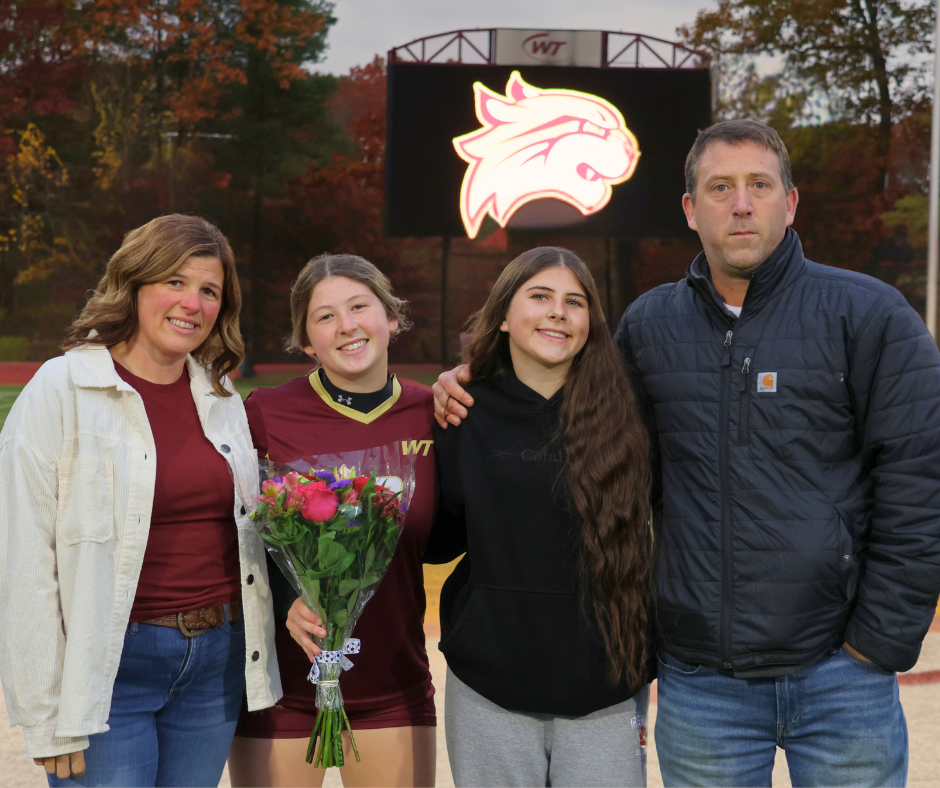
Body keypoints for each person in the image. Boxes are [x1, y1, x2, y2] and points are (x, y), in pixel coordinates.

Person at [435, 120, 940, 788]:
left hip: (838, 673)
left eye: (759, 185)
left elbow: (919, 481)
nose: (740, 203)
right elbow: (576, 425)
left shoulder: (869, 315)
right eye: (719, 187)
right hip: (703, 684)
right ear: (689, 209)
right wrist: (475, 381)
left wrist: (875, 642)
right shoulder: (652, 325)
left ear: (789, 203)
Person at [0, 214, 282, 787]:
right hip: (109, 668)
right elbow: (24, 561)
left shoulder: (221, 399)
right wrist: (46, 717)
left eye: (210, 291)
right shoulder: (62, 389)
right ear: (133, 284)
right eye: (174, 282)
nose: (193, 303)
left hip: (216, 664)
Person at [432, 247, 653, 788]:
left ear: (590, 324)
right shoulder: (461, 409)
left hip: (605, 680)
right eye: (540, 296)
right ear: (504, 316)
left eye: (574, 302)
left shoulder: (631, 412)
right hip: (490, 682)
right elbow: (437, 540)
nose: (558, 312)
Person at [227, 254, 440, 788]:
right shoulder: (265, 412)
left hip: (393, 682)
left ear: (391, 319)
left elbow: (453, 535)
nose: (346, 325)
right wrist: (284, 600)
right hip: (281, 687)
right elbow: (231, 534)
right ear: (305, 340)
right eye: (324, 317)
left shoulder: (435, 412)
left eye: (359, 306)